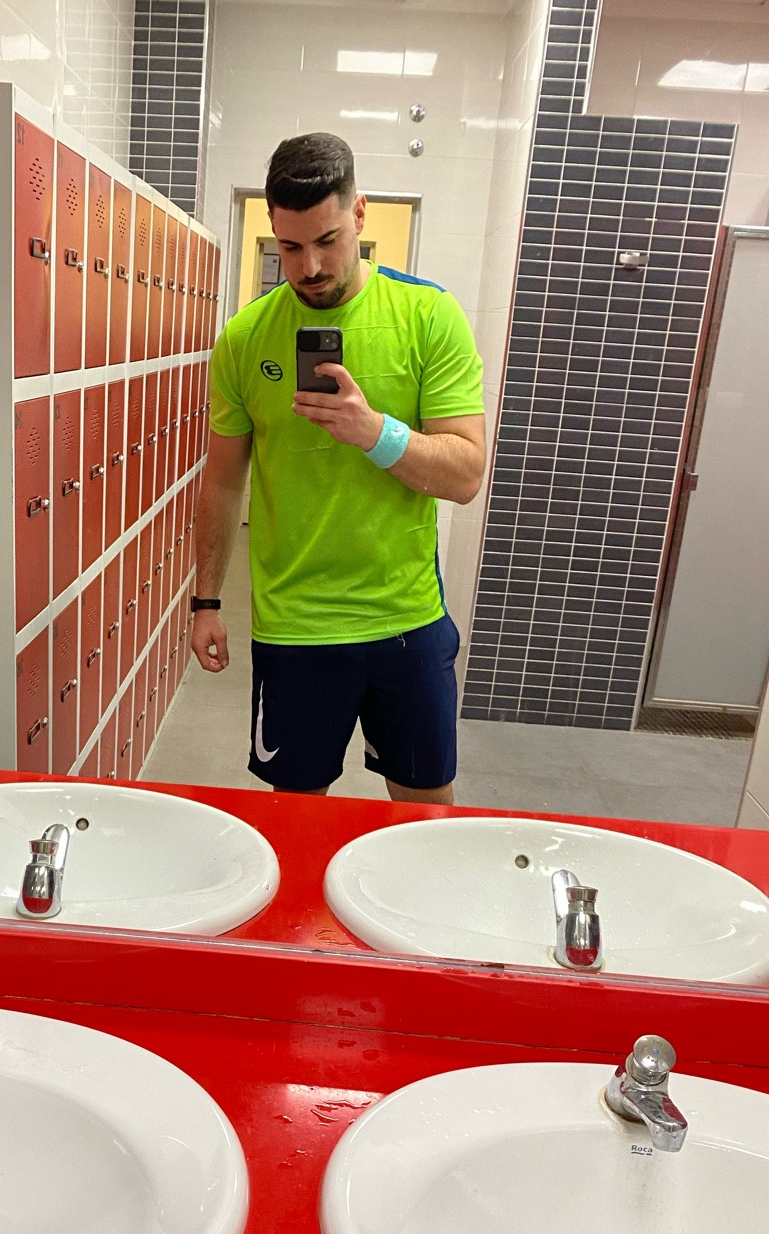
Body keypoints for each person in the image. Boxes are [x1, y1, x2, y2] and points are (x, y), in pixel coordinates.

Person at [190, 132, 486, 803]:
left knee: (423, 820)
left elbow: (466, 475)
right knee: (294, 820)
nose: (310, 266)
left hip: (405, 620)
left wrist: (375, 433)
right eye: (290, 248)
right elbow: (224, 481)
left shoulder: (427, 315)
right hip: (295, 627)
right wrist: (206, 601)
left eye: (327, 240)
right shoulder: (244, 338)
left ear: (359, 214)